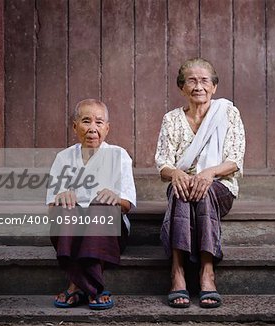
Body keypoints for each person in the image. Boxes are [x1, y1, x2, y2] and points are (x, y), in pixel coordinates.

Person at [155, 57, 245, 308]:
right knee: (180, 191)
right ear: (181, 87)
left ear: (214, 87)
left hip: (220, 186)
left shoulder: (227, 112)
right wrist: (176, 174)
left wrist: (209, 173)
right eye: (191, 81)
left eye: (204, 81)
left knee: (203, 192)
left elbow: (235, 160)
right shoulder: (171, 119)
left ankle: (207, 271)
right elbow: (163, 163)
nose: (198, 86)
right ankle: (178, 271)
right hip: (183, 184)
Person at [46, 98, 136, 310]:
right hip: (70, 233)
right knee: (65, 207)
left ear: (107, 128)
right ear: (75, 126)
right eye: (86, 121)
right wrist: (63, 196)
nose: (92, 129)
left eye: (99, 122)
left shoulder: (118, 155)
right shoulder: (63, 158)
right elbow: (51, 208)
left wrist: (114, 197)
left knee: (101, 206)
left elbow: (127, 204)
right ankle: (95, 288)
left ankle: (75, 285)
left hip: (109, 233)